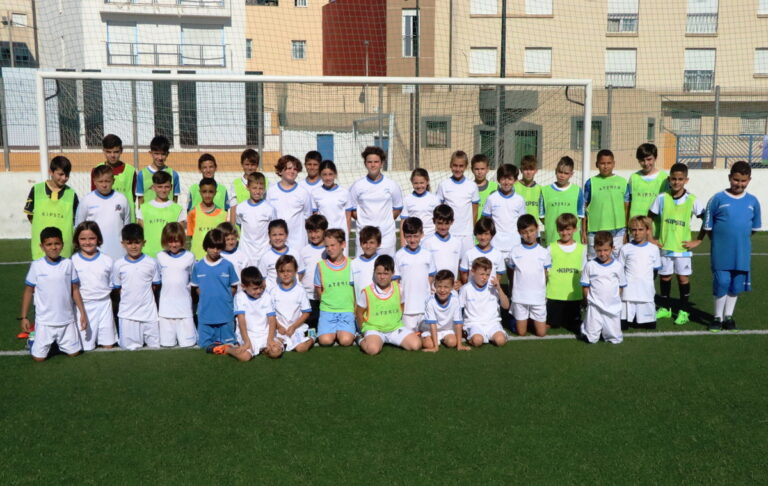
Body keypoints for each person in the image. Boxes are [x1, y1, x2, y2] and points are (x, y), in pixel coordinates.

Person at [700, 160, 762, 332]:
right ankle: (717, 318)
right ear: (729, 178)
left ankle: (728, 317)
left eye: (743, 181)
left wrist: (739, 239)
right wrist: (720, 241)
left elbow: (754, 228)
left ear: (749, 180)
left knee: (735, 285)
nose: (739, 184)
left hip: (741, 252)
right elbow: (708, 227)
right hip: (721, 252)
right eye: (736, 180)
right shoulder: (717, 199)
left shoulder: (753, 201)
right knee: (722, 282)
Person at [19, 227, 87, 361]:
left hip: (66, 320)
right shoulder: (37, 266)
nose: (53, 247)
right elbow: (28, 291)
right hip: (45, 321)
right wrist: (24, 317)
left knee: (74, 354)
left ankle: (57, 342)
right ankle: (33, 339)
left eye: (57, 243)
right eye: (49, 244)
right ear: (42, 246)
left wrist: (82, 312)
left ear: (62, 244)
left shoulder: (68, 264)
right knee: (39, 359)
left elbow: (75, 290)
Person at [649, 163, 705, 325]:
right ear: (669, 179)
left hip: (683, 249)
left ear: (686, 180)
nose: (676, 182)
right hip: (666, 247)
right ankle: (665, 308)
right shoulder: (661, 198)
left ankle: (684, 310)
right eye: (674, 179)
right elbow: (648, 218)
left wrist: (698, 240)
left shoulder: (692, 200)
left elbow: (706, 220)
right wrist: (651, 238)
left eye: (680, 179)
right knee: (665, 277)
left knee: (682, 279)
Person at [357, 255, 422, 355]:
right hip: (374, 329)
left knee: (416, 344)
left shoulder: (399, 289)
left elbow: (401, 306)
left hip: (395, 329)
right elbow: (359, 313)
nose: (382, 277)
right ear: (374, 272)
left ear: (392, 273)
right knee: (372, 350)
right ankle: (360, 339)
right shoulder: (367, 292)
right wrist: (363, 330)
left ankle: (387, 339)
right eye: (379, 273)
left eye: (386, 273)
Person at [112, 224, 161, 350]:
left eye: (137, 242)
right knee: (129, 350)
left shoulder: (152, 262)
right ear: (123, 243)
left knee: (154, 348)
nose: (133, 246)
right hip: (127, 315)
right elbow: (118, 288)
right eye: (129, 243)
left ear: (143, 242)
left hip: (149, 314)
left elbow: (155, 286)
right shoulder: (118, 264)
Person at [348, 146, 403, 257]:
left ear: (382, 163)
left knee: (386, 270)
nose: (373, 165)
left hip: (386, 235)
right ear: (365, 164)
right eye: (370, 162)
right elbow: (352, 210)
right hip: (364, 236)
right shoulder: (357, 186)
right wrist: (365, 220)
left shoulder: (391, 185)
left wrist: (384, 220)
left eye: (376, 162)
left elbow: (398, 208)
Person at [191, 229, 239, 353]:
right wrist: (207, 298)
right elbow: (196, 288)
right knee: (204, 344)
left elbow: (234, 286)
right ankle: (215, 347)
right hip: (206, 315)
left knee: (229, 344)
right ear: (206, 246)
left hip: (225, 314)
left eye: (218, 247)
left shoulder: (228, 265)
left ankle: (223, 345)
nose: (215, 251)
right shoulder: (198, 266)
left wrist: (225, 298)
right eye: (212, 247)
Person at [71, 221, 117, 351]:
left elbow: (112, 285)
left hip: (104, 306)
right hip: (83, 307)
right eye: (83, 239)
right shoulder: (73, 261)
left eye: (91, 238)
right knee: (86, 347)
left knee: (108, 345)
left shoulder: (107, 260)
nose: (87, 242)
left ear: (98, 239)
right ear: (77, 240)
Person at [25, 156, 79, 260]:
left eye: (67, 175)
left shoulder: (71, 194)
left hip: (64, 249)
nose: (64, 178)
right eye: (61, 174)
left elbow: (76, 221)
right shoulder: (37, 190)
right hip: (40, 248)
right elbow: (30, 215)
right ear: (51, 171)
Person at [225, 267, 283, 361]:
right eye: (255, 289)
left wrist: (270, 339)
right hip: (248, 335)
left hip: (265, 333)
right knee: (245, 357)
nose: (259, 291)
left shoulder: (267, 296)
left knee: (276, 351)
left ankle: (263, 349)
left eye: (261, 287)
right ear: (243, 286)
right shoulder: (240, 297)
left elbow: (271, 319)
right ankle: (228, 349)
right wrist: (247, 342)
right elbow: (241, 321)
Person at [507, 214, 551, 337]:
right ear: (519, 233)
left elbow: (545, 274)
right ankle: (516, 319)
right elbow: (511, 271)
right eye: (524, 232)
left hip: (538, 297)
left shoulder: (543, 252)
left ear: (537, 228)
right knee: (521, 332)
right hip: (520, 297)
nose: (529, 235)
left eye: (531, 231)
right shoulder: (515, 251)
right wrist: (512, 287)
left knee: (541, 333)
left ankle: (533, 320)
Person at [580, 231, 627, 344]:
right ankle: (586, 327)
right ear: (594, 248)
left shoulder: (618, 266)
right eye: (599, 250)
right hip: (595, 306)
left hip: (612, 307)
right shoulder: (590, 265)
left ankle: (607, 330)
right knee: (591, 339)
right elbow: (585, 286)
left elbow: (621, 286)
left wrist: (615, 299)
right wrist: (589, 301)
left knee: (615, 339)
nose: (602, 253)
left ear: (612, 248)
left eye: (606, 250)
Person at [76, 164, 131, 260]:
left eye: (107, 181)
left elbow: (127, 228)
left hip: (119, 254)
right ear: (94, 182)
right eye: (100, 181)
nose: (104, 185)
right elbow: (79, 228)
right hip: (95, 254)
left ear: (113, 181)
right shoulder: (87, 201)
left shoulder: (122, 199)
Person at [156, 222, 196, 348]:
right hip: (165, 310)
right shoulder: (160, 256)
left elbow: (193, 280)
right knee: (166, 345)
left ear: (182, 240)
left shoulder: (190, 256)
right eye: (170, 241)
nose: (173, 244)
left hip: (184, 309)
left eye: (177, 241)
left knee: (188, 344)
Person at [583, 149, 629, 259]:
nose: (606, 166)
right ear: (597, 164)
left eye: (609, 163)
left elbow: (627, 208)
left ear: (614, 164)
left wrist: (626, 231)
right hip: (595, 230)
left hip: (618, 231)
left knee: (617, 263)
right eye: (602, 163)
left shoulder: (622, 182)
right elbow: (584, 208)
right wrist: (583, 231)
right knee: (594, 263)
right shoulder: (590, 183)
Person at [315, 228, 356, 347]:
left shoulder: (352, 264)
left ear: (343, 244)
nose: (329, 249)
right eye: (327, 246)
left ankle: (354, 333)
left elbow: (355, 290)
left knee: (346, 341)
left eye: (333, 245)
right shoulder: (320, 266)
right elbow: (319, 290)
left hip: (346, 310)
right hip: (328, 311)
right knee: (325, 341)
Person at [546, 213, 586, 334]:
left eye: (568, 229)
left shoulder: (582, 248)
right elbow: (546, 272)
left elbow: (584, 272)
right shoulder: (551, 248)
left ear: (575, 229)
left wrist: (585, 296)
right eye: (561, 229)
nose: (564, 233)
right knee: (552, 325)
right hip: (555, 295)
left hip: (574, 296)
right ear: (557, 230)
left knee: (574, 325)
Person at [395, 217, 436, 332]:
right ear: (403, 235)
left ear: (422, 234)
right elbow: (396, 281)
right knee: (412, 342)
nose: (412, 240)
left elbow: (431, 275)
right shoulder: (399, 255)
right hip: (407, 310)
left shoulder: (427, 254)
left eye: (416, 236)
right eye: (408, 236)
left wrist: (427, 289)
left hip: (424, 308)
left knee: (427, 341)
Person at [620, 216, 661, 330]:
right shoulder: (625, 248)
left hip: (646, 291)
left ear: (647, 230)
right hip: (628, 293)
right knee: (623, 326)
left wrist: (646, 284)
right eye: (634, 230)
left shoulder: (653, 249)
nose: (637, 233)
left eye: (640, 229)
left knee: (648, 326)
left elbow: (655, 271)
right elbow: (620, 270)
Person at [266, 155, 313, 252]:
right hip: (278, 243)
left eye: (295, 169)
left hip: (298, 244)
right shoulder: (271, 191)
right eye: (288, 168)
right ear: (280, 171)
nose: (292, 171)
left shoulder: (303, 192)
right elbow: (269, 217)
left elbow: (307, 216)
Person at [482, 163, 527, 265]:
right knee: (494, 275)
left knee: (513, 275)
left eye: (510, 179)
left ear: (515, 180)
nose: (506, 182)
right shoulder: (492, 198)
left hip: (514, 244)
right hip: (495, 244)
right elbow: (487, 222)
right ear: (498, 180)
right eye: (503, 179)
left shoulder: (519, 200)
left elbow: (522, 223)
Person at [436, 150, 480, 255]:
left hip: (467, 234)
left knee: (465, 267)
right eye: (455, 165)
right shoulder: (443, 185)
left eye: (461, 166)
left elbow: (475, 209)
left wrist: (471, 228)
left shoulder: (472, 186)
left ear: (465, 167)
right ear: (450, 165)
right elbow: (438, 210)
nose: (458, 169)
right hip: (449, 232)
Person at [460, 257, 509, 347]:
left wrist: (499, 289)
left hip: (492, 323)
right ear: (473, 272)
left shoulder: (493, 287)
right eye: (481, 274)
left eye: (487, 274)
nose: (484, 277)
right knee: (477, 341)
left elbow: (506, 306)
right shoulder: (466, 289)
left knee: (500, 341)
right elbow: (459, 310)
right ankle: (469, 335)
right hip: (473, 323)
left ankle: (494, 335)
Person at [270, 255, 315, 353]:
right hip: (279, 330)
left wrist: (294, 327)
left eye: (289, 271)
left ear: (295, 271)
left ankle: (312, 337)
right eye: (282, 271)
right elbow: (271, 314)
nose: (285, 274)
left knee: (301, 348)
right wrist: (278, 326)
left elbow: (306, 312)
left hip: (296, 328)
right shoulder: (273, 291)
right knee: (274, 351)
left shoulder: (300, 290)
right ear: (277, 273)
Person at [137, 170, 185, 258]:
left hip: (169, 256)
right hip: (148, 255)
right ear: (153, 187)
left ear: (171, 187)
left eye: (166, 187)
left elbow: (180, 237)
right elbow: (139, 235)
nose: (163, 190)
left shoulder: (178, 209)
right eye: (160, 187)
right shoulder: (144, 208)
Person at [540, 156, 585, 247]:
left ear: (571, 174)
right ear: (555, 171)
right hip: (552, 240)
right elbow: (542, 216)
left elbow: (580, 216)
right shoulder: (545, 191)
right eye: (560, 172)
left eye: (566, 173)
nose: (562, 175)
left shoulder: (577, 191)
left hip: (573, 241)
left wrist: (582, 233)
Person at [91, 134, 136, 223]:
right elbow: (94, 195)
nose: (112, 155)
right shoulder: (96, 170)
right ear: (103, 151)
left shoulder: (131, 171)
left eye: (116, 152)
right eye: (108, 152)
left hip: (125, 219)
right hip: (103, 218)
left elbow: (133, 197)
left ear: (121, 151)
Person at [421, 270, 469, 352]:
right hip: (431, 329)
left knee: (452, 342)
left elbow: (458, 323)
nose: (442, 290)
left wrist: (459, 345)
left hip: (447, 330)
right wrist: (435, 347)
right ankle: (423, 336)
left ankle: (443, 339)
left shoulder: (455, 300)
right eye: (439, 286)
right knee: (428, 345)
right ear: (435, 285)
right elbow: (433, 324)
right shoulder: (430, 302)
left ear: (452, 287)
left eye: (446, 287)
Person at [235, 171, 276, 266]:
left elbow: (272, 230)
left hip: (264, 253)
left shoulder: (269, 209)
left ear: (264, 189)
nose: (257, 191)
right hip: (245, 253)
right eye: (254, 188)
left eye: (261, 188)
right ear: (247, 187)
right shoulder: (241, 208)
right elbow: (240, 225)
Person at [628, 144, 668, 239]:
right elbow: (628, 203)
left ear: (655, 158)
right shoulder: (634, 178)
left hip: (655, 229)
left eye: (649, 159)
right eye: (642, 160)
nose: (646, 163)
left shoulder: (664, 178)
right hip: (636, 229)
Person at [311, 160, 351, 254]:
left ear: (335, 175)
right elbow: (315, 217)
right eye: (324, 174)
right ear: (320, 175)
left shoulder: (344, 192)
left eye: (330, 174)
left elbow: (348, 217)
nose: (328, 178)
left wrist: (347, 236)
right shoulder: (315, 192)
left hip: (340, 236)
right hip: (324, 237)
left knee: (342, 264)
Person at [421, 204, 463, 286]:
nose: (443, 227)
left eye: (446, 223)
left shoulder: (457, 242)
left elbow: (461, 266)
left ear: (452, 222)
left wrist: (460, 282)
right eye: (440, 223)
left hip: (452, 290)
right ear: (433, 221)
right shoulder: (426, 242)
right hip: (434, 290)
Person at [186, 177, 228, 260]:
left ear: (215, 192)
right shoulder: (193, 213)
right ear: (200, 192)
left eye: (211, 192)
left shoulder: (223, 214)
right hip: (197, 258)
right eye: (204, 192)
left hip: (216, 258)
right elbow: (190, 236)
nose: (207, 195)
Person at [257, 219, 305, 290]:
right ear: (269, 236)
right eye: (274, 235)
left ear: (286, 235)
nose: (277, 238)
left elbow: (301, 272)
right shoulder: (265, 257)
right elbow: (262, 278)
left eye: (281, 234)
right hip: (272, 296)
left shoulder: (295, 254)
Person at [300, 214, 328, 331]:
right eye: (310, 232)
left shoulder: (329, 250)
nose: (313, 235)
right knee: (309, 326)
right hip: (308, 296)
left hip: (325, 295)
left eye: (317, 232)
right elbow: (300, 274)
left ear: (324, 231)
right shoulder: (303, 251)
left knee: (323, 326)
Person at [459, 217, 506, 284]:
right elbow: (464, 274)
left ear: (492, 235)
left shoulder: (498, 254)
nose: (483, 237)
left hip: (490, 293)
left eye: (486, 234)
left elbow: (498, 277)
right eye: (480, 234)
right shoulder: (469, 253)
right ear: (475, 234)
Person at [400, 168, 440, 246]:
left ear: (427, 181)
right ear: (412, 182)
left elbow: (438, 221)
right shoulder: (407, 199)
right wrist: (403, 243)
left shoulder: (434, 199)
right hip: (413, 240)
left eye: (422, 183)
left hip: (431, 238)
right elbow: (403, 222)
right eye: (416, 183)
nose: (419, 186)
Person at [136, 135, 180, 206]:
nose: (160, 157)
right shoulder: (142, 174)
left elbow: (175, 198)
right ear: (150, 153)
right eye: (156, 154)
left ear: (167, 154)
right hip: (149, 216)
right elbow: (140, 199)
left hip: (167, 215)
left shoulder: (173, 174)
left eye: (163, 154)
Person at [229, 148, 268, 223]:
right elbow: (233, 209)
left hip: (259, 224)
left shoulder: (265, 181)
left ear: (257, 165)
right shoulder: (235, 183)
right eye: (247, 164)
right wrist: (232, 230)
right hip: (241, 227)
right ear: (242, 164)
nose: (249, 168)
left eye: (253, 165)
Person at [350, 225, 382, 300]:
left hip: (378, 306)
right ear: (360, 244)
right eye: (365, 242)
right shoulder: (354, 263)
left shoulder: (382, 261)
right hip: (360, 308)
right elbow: (353, 288)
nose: (368, 246)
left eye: (371, 242)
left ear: (378, 244)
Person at [218, 222, 250, 291]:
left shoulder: (242, 256)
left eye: (233, 239)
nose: (231, 242)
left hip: (239, 293)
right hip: (222, 293)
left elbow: (248, 276)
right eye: (227, 240)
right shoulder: (217, 255)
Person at [515, 155, 542, 225]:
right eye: (526, 169)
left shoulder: (540, 189)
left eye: (531, 169)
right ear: (521, 170)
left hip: (534, 231)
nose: (528, 172)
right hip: (517, 229)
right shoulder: (514, 187)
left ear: (536, 171)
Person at [471, 153, 497, 220]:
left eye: (482, 169)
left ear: (488, 169)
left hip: (489, 228)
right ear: (472, 170)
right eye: (477, 169)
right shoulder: (468, 188)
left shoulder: (495, 187)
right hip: (472, 227)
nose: (479, 172)